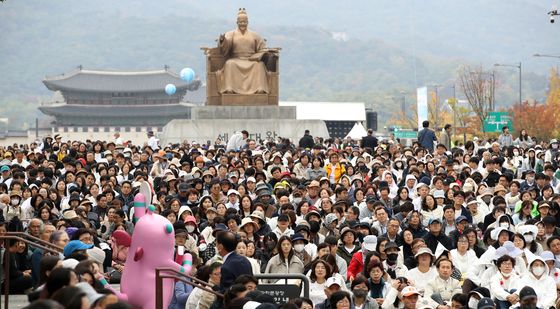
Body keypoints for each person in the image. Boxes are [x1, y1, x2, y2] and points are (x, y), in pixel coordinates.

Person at [217, 9, 269, 94]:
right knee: (229, 64)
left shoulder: (254, 35)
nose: (242, 24)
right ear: (237, 22)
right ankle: (229, 89)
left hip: (251, 60)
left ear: (247, 22)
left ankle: (260, 89)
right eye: (240, 22)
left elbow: (262, 47)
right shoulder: (231, 34)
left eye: (244, 22)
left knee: (259, 65)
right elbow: (225, 46)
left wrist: (262, 52)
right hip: (236, 59)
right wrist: (223, 40)